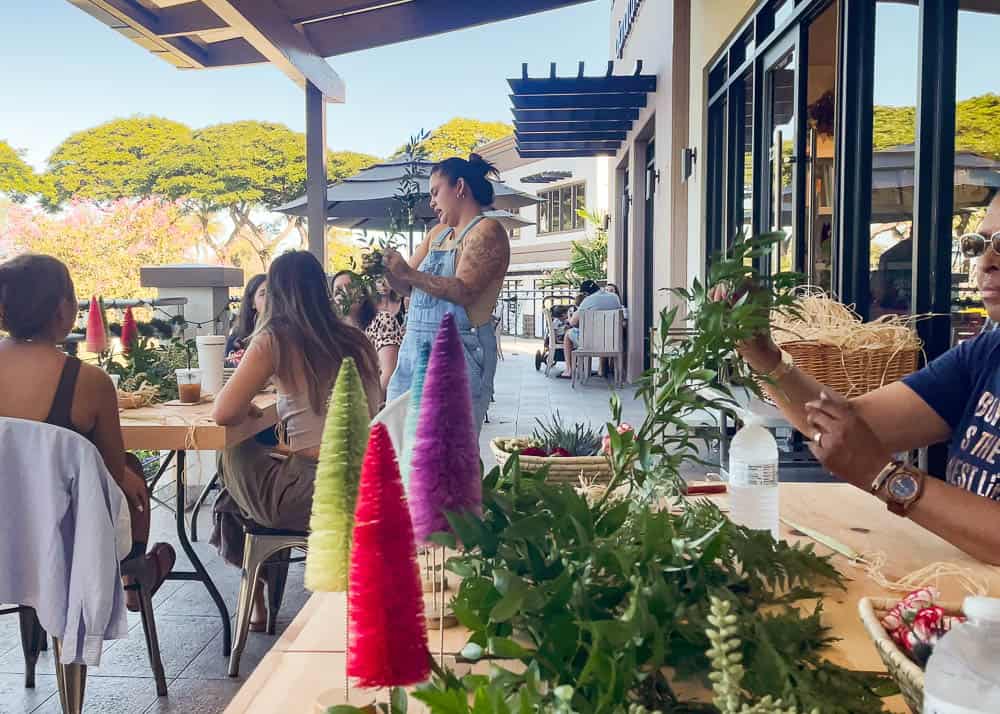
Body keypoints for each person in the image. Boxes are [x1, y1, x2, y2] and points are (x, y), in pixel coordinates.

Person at [718, 192, 1000, 565]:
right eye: (978, 244)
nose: (986, 262)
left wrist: (886, 477)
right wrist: (763, 355)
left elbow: (863, 447)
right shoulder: (987, 352)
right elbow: (851, 423)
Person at [211, 250, 380, 627]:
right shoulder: (355, 338)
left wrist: (249, 411)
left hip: (313, 494)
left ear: (277, 294)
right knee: (246, 482)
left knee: (232, 455)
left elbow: (222, 412)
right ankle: (257, 583)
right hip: (366, 484)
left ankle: (253, 586)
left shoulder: (275, 338)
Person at [0, 254, 175, 611]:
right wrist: (124, 472)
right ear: (62, 310)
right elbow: (109, 476)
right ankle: (135, 573)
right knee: (130, 469)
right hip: (65, 544)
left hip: (5, 536)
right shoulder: (88, 382)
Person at [381, 154, 511, 431]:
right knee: (399, 446)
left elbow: (464, 290)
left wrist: (407, 273)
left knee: (447, 455)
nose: (432, 202)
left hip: (457, 354)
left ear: (460, 187)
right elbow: (406, 287)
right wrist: (389, 271)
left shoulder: (487, 230)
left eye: (436, 192)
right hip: (413, 351)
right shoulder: (438, 233)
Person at [560, 279, 623, 379]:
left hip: (590, 343)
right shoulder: (615, 297)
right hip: (612, 342)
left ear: (585, 293)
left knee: (568, 334)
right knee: (603, 332)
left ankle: (569, 370)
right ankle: (601, 370)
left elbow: (573, 322)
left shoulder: (588, 300)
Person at [226, 274, 267, 366]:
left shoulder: (288, 334)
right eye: (263, 294)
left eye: (274, 294)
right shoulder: (237, 338)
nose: (270, 298)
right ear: (253, 302)